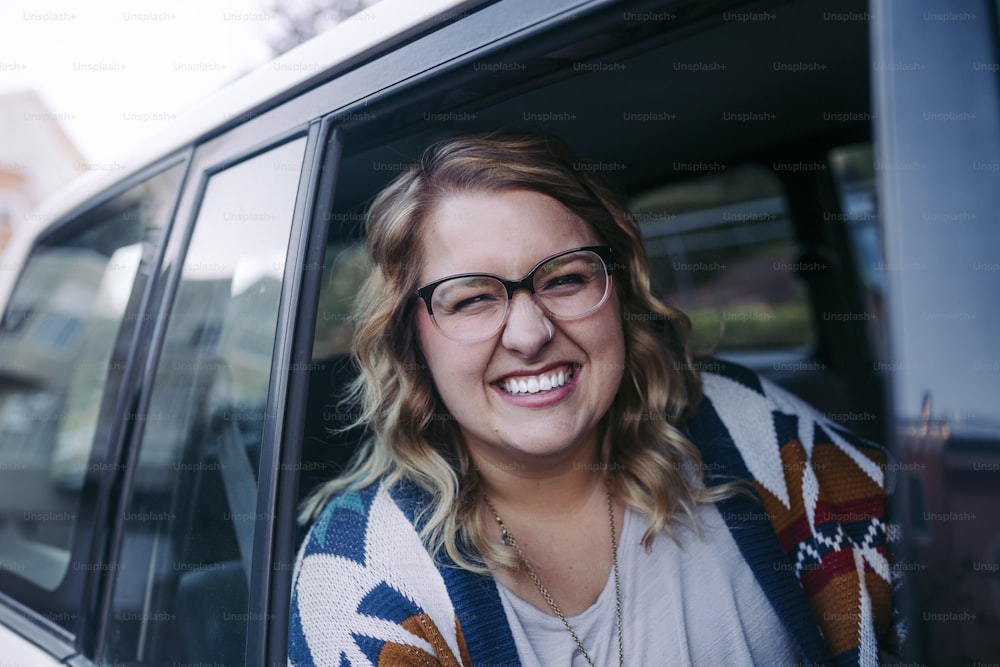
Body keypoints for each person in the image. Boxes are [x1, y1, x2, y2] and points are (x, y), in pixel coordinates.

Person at [288, 132, 901, 666]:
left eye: (566, 279)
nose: (530, 335)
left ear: (619, 293)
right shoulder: (360, 578)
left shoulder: (750, 430)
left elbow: (950, 586)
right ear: (411, 338)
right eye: (472, 298)